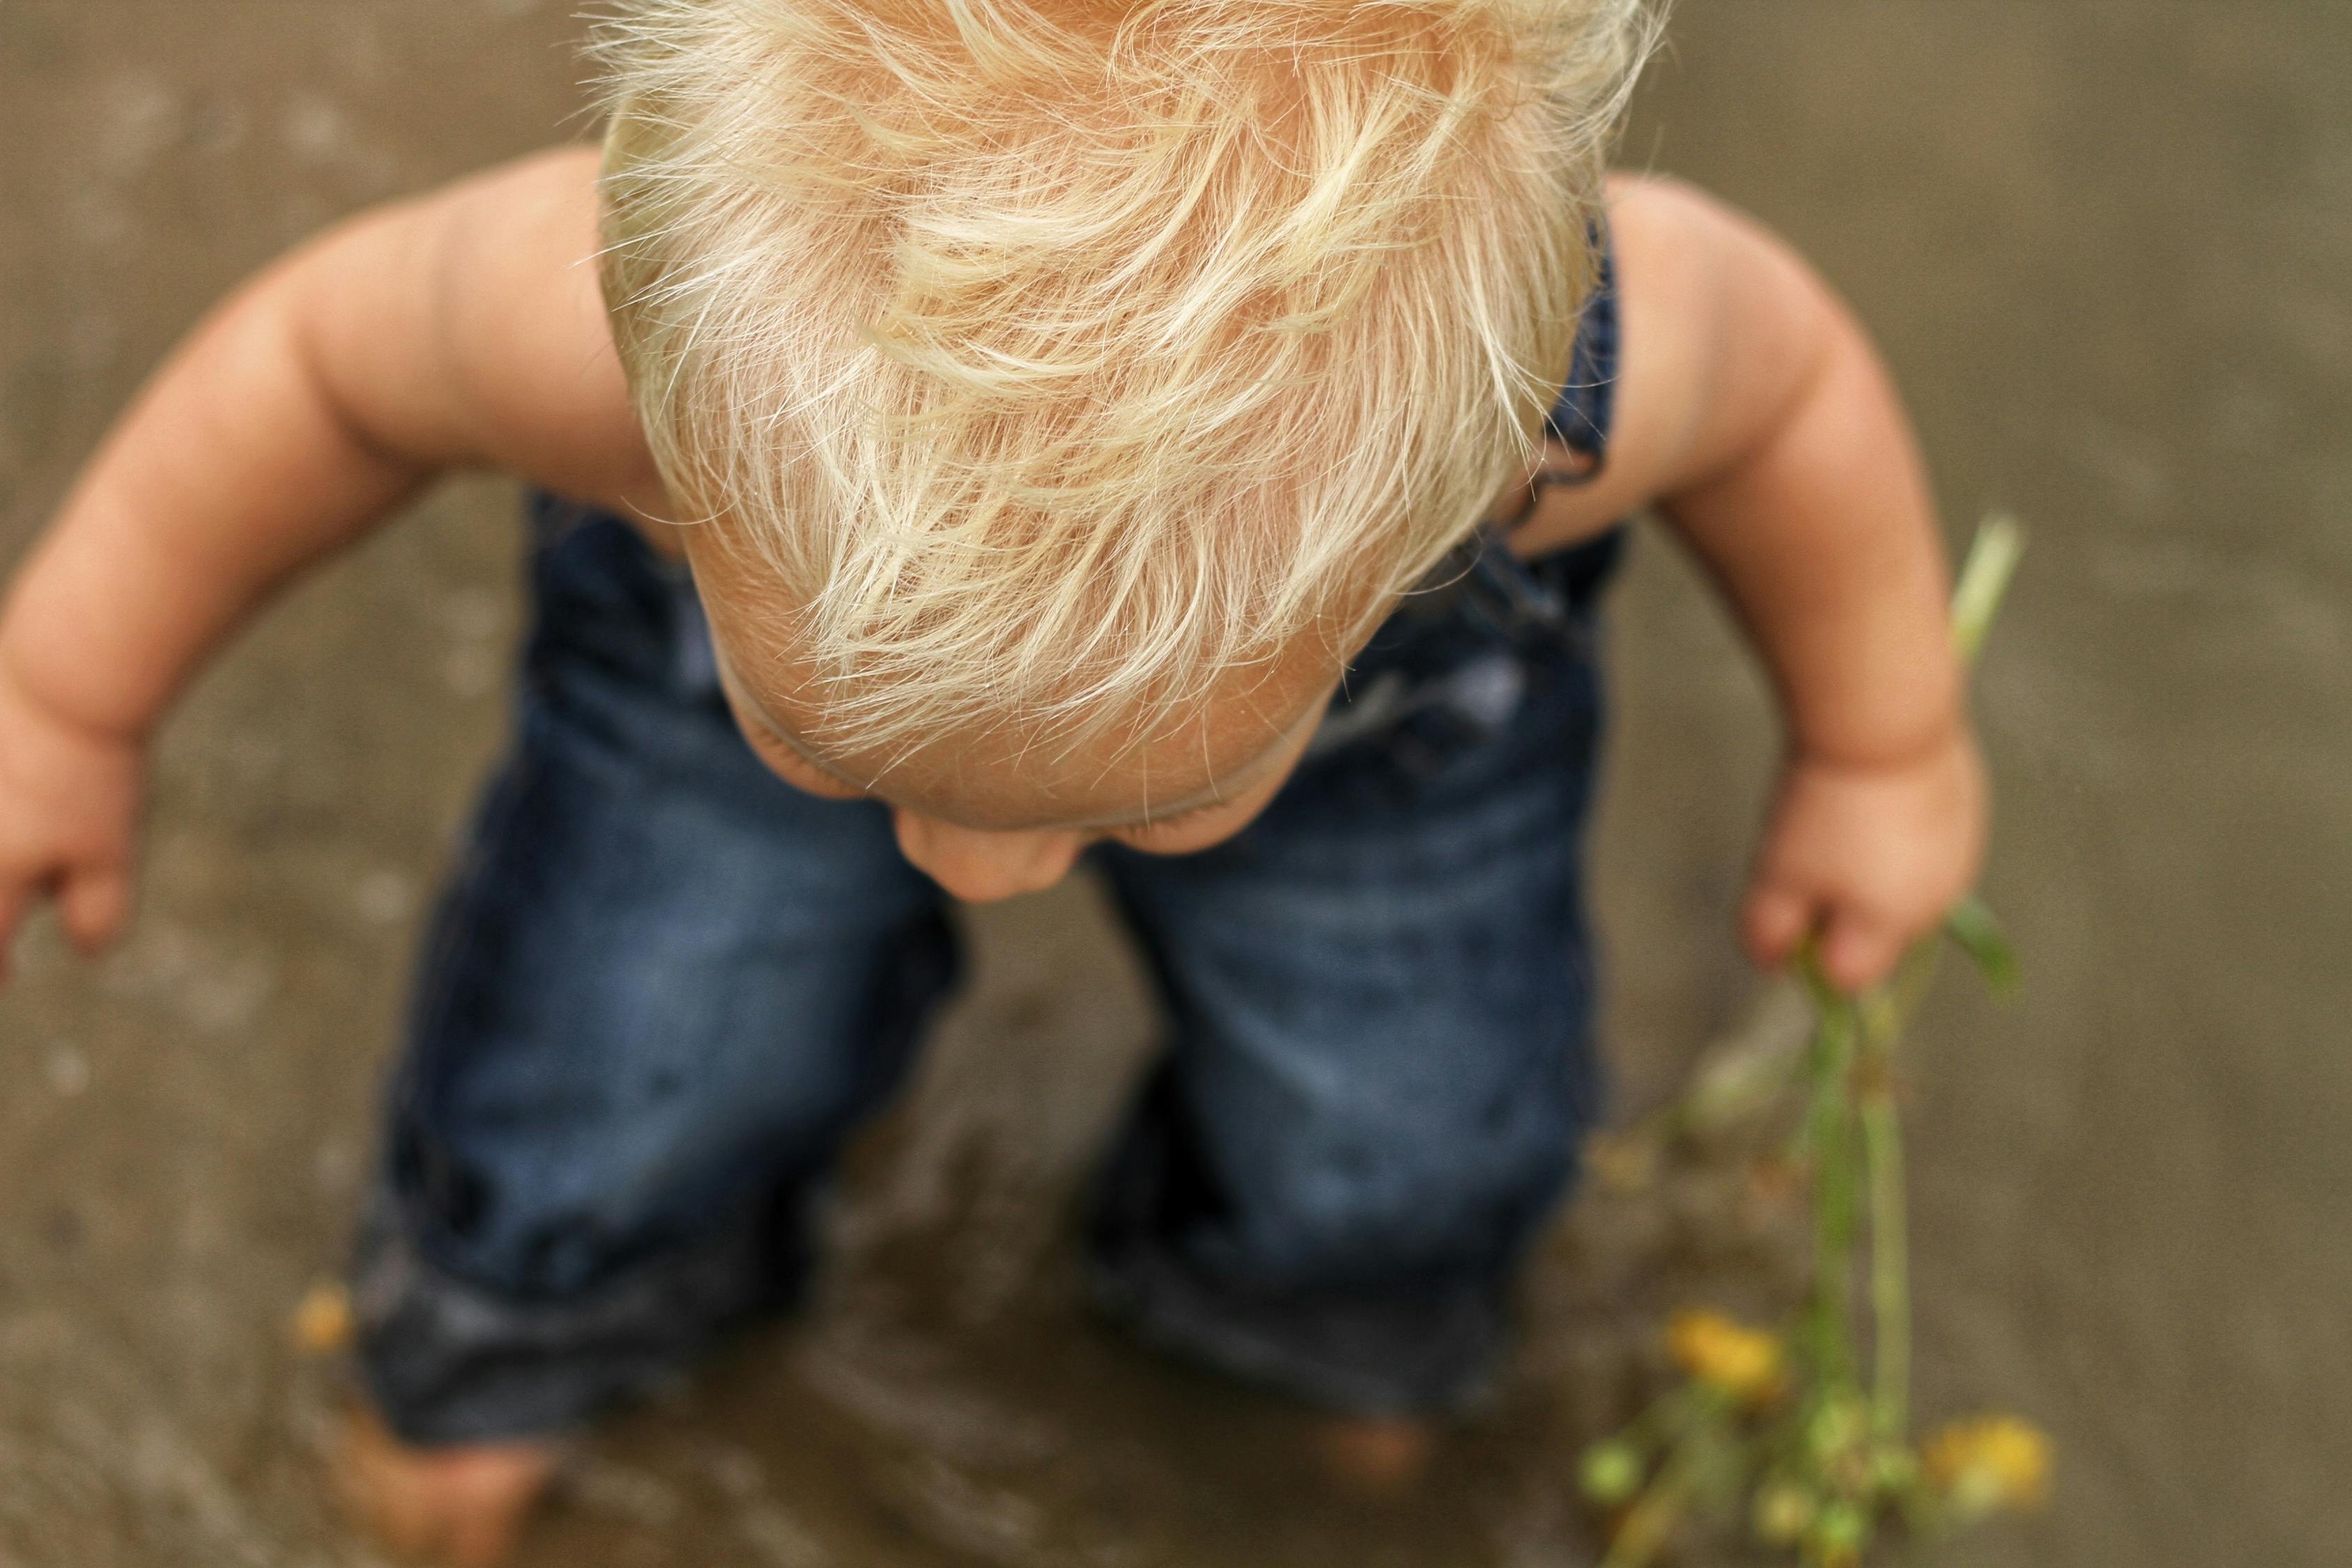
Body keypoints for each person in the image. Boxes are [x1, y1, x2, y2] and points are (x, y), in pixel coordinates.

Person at [0, 0, 1983, 1562]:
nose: (987, 868)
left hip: (1387, 753)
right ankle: (516, 1339)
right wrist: (66, 695)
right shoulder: (633, 351)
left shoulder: (1534, 414)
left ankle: (1333, 1328)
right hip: (721, 649)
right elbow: (317, 373)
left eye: (1150, 789)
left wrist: (1879, 743)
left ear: (1455, 511)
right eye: (849, 755)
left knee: (1407, 1122)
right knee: (619, 1046)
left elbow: (1793, 392)